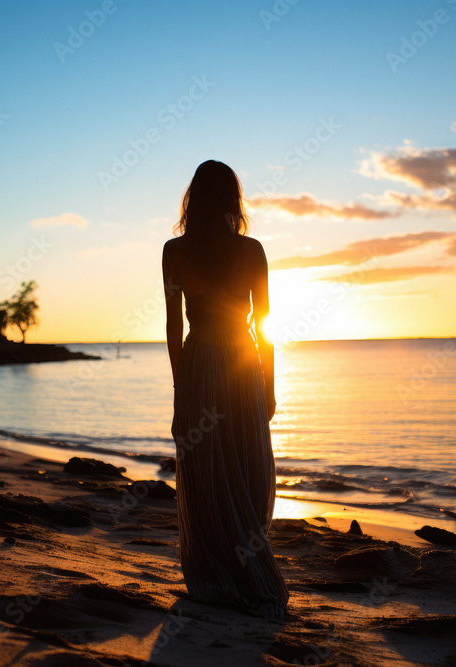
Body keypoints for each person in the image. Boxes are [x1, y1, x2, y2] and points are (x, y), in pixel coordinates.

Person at [162, 159, 288, 622]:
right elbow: (265, 324)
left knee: (209, 473)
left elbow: (175, 329)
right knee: (249, 467)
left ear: (193, 199)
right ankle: (243, 570)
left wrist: (181, 388)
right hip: (241, 364)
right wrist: (269, 385)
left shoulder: (175, 251)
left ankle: (216, 576)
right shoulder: (251, 250)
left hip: (201, 365)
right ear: (232, 199)